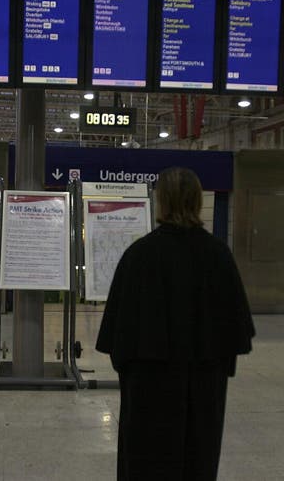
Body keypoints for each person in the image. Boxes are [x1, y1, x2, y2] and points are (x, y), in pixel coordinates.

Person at [96, 167, 255, 481]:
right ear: (197, 201)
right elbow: (234, 335)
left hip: (148, 386)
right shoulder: (218, 255)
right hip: (204, 384)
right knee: (198, 458)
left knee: (147, 462)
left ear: (161, 202)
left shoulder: (139, 255)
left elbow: (118, 336)